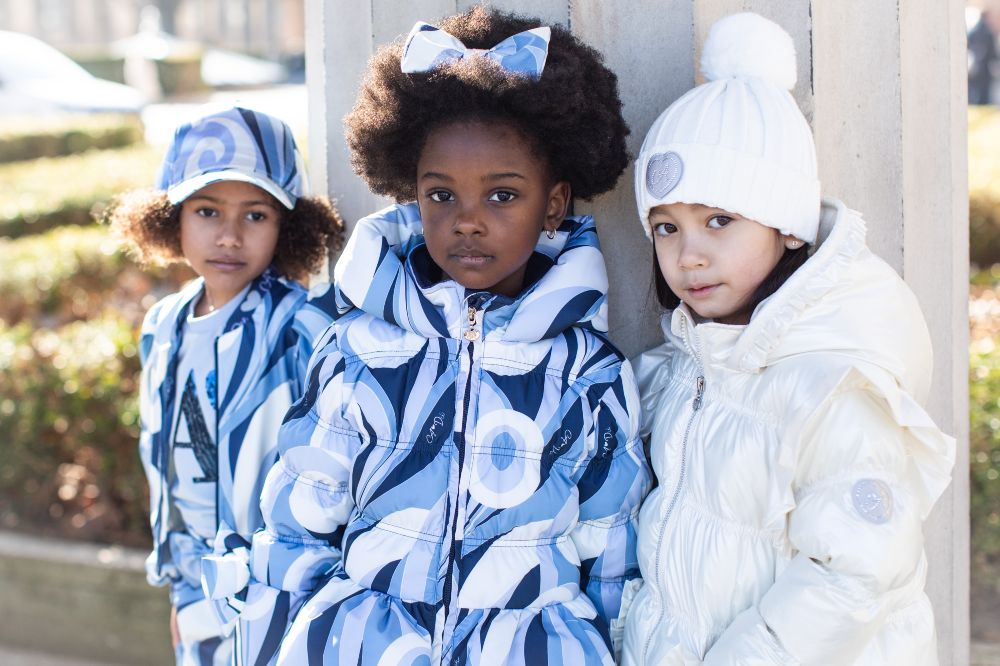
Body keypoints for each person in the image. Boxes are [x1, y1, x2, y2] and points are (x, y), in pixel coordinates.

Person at [217, 6, 652, 665]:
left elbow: (611, 540)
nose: (467, 221)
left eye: (502, 196)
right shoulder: (358, 348)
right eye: (441, 195)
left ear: (555, 202)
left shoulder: (588, 372)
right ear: (412, 196)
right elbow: (297, 518)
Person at [620, 13, 955, 665]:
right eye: (666, 227)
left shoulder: (838, 388)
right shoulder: (683, 369)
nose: (689, 255)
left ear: (789, 226)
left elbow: (854, 574)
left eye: (719, 220)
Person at [107, 105, 344, 666]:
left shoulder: (300, 327)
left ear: (289, 224)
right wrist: (180, 585)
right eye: (207, 210)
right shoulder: (162, 326)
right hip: (195, 587)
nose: (230, 236)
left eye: (256, 215)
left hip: (282, 591)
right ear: (172, 218)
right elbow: (165, 466)